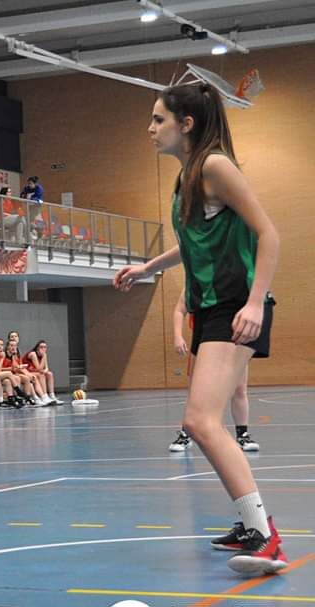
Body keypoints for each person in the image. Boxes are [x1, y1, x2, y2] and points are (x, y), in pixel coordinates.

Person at [113, 84, 284, 574]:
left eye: (158, 119)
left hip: (235, 306)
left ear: (186, 123)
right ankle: (253, 526)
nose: (150, 128)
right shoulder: (188, 175)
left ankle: (265, 537)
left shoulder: (214, 166)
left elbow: (269, 233)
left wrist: (255, 302)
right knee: (200, 422)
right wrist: (149, 267)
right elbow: (193, 243)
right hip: (212, 308)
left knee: (201, 421)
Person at [169, 291, 258, 453]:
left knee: (239, 389)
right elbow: (179, 309)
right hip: (203, 341)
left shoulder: (234, 281)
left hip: (233, 341)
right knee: (195, 392)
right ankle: (186, 433)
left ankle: (242, 434)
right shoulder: (195, 281)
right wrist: (177, 336)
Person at [24, 340, 62, 404]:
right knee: (41, 374)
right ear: (37, 348)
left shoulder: (44, 355)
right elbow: (39, 368)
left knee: (49, 374)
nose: (43, 349)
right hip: (27, 371)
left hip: (35, 371)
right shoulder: (33, 354)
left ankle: (52, 395)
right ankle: (44, 396)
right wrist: (44, 356)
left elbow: (46, 367)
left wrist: (45, 370)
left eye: (45, 347)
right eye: (41, 347)